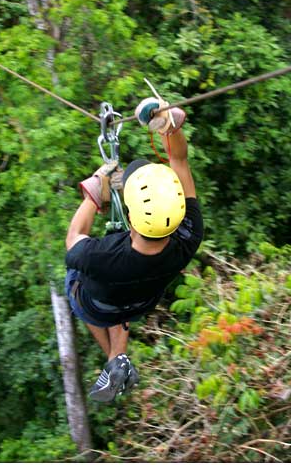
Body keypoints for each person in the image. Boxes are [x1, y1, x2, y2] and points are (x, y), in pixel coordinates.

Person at [64, 98, 203, 402]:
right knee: (118, 290)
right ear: (177, 210)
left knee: (75, 276)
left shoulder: (97, 257)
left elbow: (74, 238)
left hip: (95, 304)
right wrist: (168, 125)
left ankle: (116, 356)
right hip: (141, 301)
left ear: (131, 217)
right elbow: (179, 161)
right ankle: (117, 358)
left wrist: (94, 193)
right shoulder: (189, 236)